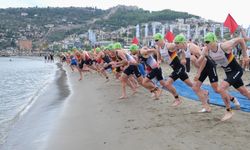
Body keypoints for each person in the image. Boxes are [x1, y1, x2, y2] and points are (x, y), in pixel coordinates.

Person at [198, 32, 250, 121]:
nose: (206, 44)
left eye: (208, 41)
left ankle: (229, 111)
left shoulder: (224, 46)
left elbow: (241, 40)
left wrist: (245, 55)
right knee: (245, 93)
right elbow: (200, 61)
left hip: (236, 70)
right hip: (229, 73)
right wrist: (199, 57)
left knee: (221, 87)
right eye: (205, 42)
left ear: (214, 41)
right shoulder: (206, 50)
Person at [154, 33, 206, 106]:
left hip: (179, 68)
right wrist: (158, 62)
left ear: (161, 39)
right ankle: (204, 92)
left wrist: (183, 57)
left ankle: (177, 99)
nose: (156, 42)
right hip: (175, 68)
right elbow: (158, 57)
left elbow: (181, 47)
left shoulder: (169, 46)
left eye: (157, 40)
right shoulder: (158, 48)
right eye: (155, 40)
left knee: (167, 83)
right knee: (191, 85)